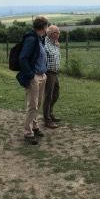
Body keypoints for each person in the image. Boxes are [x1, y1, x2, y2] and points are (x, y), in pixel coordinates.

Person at [17, 16, 50, 145]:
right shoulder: (31, 39)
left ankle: (35, 127)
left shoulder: (39, 39)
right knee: (32, 105)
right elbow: (23, 58)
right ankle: (28, 132)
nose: (47, 28)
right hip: (34, 76)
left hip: (42, 75)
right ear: (43, 27)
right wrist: (31, 75)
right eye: (47, 26)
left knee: (38, 104)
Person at [42, 25, 62, 126]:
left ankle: (50, 113)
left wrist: (57, 45)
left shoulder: (54, 43)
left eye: (58, 32)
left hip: (55, 72)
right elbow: (45, 54)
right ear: (50, 34)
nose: (58, 35)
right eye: (56, 33)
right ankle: (47, 119)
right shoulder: (45, 43)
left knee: (56, 94)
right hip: (48, 72)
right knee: (48, 96)